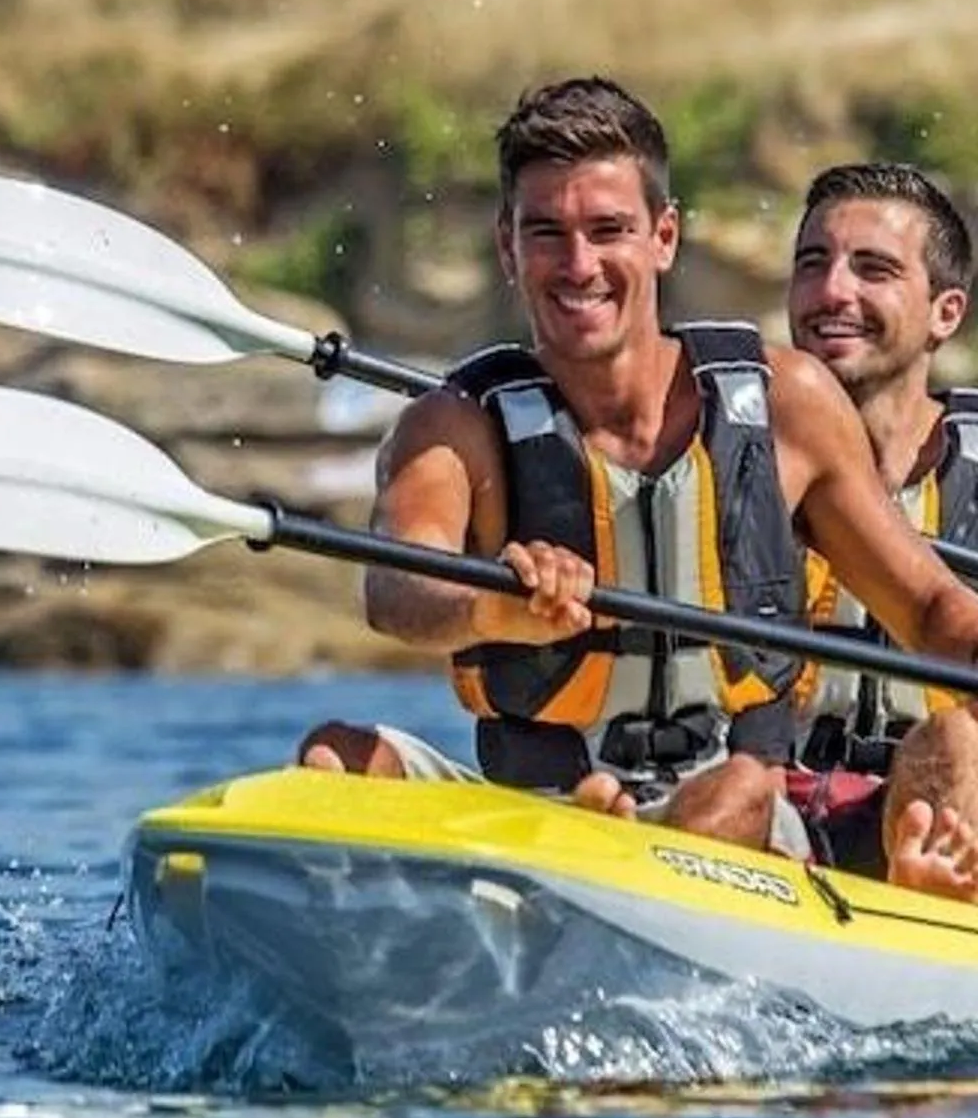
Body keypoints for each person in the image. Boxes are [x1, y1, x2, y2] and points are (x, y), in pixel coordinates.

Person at [297, 76, 978, 897]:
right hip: (535, 812)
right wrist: (491, 608)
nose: (578, 264)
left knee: (761, 787)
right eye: (546, 233)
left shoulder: (787, 402)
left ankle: (911, 889)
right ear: (508, 249)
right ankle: (583, 839)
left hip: (734, 821)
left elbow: (932, 611)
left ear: (663, 236)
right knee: (334, 757)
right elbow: (397, 587)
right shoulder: (453, 424)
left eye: (608, 230)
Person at [784, 162, 978, 898]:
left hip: (948, 810)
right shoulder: (727, 447)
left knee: (955, 740)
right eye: (813, 264)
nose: (833, 292)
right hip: (766, 804)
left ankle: (928, 892)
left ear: (945, 313)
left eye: (874, 270)